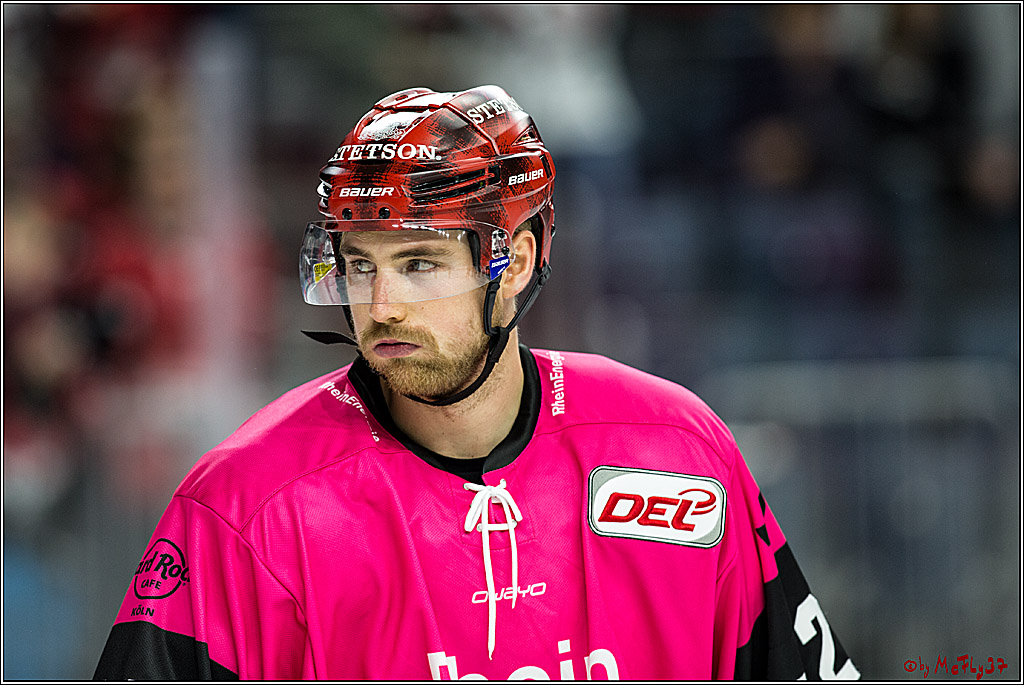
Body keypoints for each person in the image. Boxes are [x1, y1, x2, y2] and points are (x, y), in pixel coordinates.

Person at [94, 84, 859, 680]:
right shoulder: (242, 508)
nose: (381, 305)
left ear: (515, 264)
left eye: (419, 263)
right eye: (361, 264)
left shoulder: (675, 450)